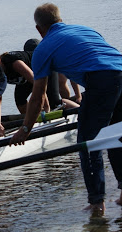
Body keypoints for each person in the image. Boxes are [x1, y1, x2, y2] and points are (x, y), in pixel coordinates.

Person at [10, 3, 122, 214]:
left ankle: (97, 202)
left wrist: (25, 129)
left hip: (103, 80)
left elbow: (37, 96)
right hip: (119, 72)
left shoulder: (43, 47)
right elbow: (96, 59)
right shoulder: (85, 30)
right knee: (116, 135)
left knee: (88, 143)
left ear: (38, 29)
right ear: (60, 20)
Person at [0, 38, 79, 114]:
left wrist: (78, 96)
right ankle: (31, 119)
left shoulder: (14, 62)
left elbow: (39, 85)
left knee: (54, 102)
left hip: (45, 69)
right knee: (20, 100)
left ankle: (78, 110)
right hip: (30, 75)